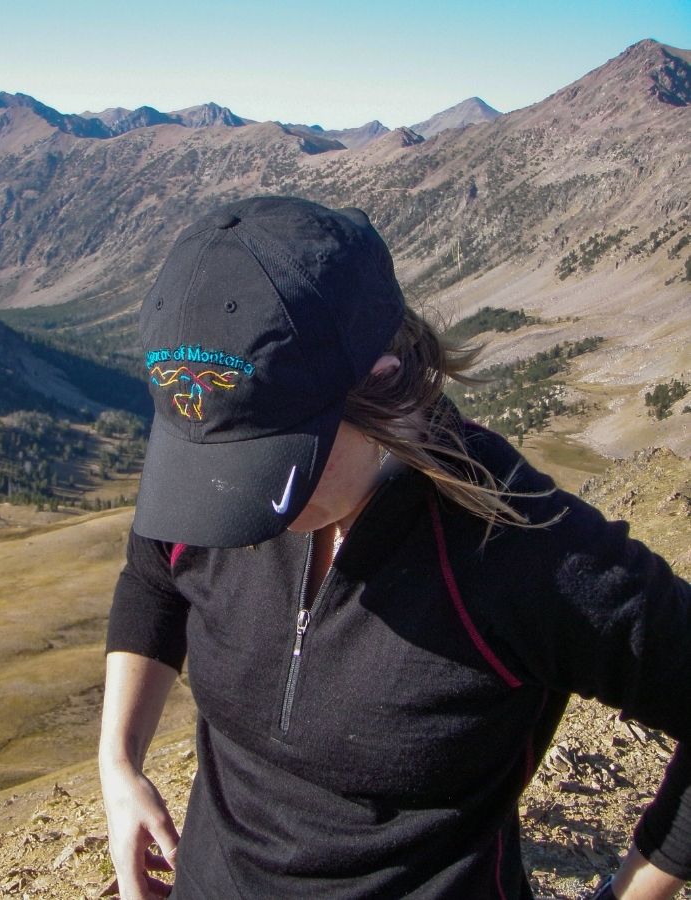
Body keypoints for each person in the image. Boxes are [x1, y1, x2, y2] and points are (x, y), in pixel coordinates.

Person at [98, 196, 691, 899]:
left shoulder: (522, 550)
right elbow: (155, 572)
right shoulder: (216, 471)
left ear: (384, 379)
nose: (237, 506)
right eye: (214, 467)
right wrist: (118, 763)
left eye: (268, 464)